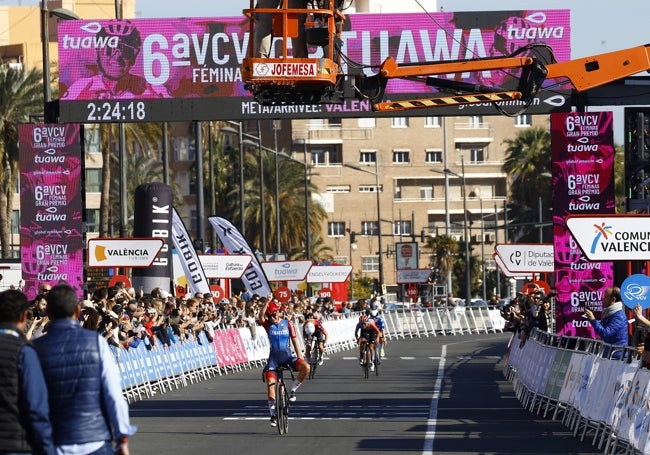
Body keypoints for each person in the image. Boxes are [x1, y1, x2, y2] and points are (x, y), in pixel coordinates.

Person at [33, 284, 136, 454]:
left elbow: (31, 399)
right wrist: (122, 436)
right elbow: (113, 393)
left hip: (53, 440)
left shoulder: (35, 349)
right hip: (94, 438)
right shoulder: (97, 342)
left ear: (48, 313)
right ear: (77, 311)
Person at [0, 289, 54, 455]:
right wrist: (47, 446)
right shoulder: (24, 350)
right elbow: (36, 404)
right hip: (14, 441)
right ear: (23, 317)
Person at [62, 19, 171, 100]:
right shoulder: (80, 88)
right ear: (98, 52)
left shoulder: (155, 90)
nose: (117, 56)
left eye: (126, 51)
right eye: (109, 49)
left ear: (134, 56)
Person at [258, 296, 309, 427]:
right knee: (270, 384)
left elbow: (295, 341)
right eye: (270, 316)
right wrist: (267, 302)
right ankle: (273, 415)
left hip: (287, 357)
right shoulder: (267, 324)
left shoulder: (287, 323)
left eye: (274, 314)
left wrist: (299, 357)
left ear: (279, 313)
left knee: (306, 367)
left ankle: (292, 391)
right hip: (273, 360)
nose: (273, 318)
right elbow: (261, 316)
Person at [584, 286, 628, 359]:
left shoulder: (618, 316)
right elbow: (602, 331)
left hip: (617, 357)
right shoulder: (610, 313)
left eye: (606, 297)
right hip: (609, 354)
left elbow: (605, 333)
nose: (603, 299)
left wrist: (593, 320)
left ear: (613, 299)